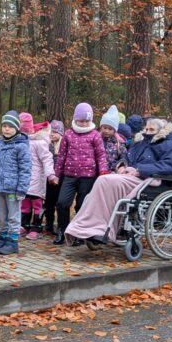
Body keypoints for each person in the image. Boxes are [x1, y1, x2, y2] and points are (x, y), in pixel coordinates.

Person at [65, 118, 172, 244]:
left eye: (151, 129)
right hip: (129, 176)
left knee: (105, 181)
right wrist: (122, 166)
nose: (147, 131)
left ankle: (100, 229)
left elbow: (168, 166)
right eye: (146, 129)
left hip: (147, 180)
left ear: (161, 131)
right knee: (103, 181)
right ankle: (88, 228)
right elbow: (126, 156)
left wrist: (139, 170)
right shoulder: (140, 142)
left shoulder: (168, 145)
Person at [54, 103, 109, 246]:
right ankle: (62, 229)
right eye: (81, 121)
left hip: (88, 176)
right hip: (69, 175)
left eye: (87, 121)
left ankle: (78, 233)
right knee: (62, 203)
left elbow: (101, 155)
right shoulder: (68, 134)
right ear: (75, 119)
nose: (84, 124)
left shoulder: (95, 135)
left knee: (82, 205)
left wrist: (103, 171)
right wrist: (57, 174)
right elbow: (61, 155)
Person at [0, 111, 32, 255]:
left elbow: (25, 170)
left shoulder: (21, 146)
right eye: (4, 126)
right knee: (2, 216)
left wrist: (22, 189)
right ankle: (2, 238)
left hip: (13, 190)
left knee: (13, 216)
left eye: (10, 126)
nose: (6, 129)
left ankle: (13, 241)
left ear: (17, 128)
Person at [19, 113, 57, 240]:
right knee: (24, 203)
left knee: (37, 205)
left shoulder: (39, 143)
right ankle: (24, 225)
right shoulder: (22, 142)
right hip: (25, 180)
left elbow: (47, 159)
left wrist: (51, 175)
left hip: (37, 180)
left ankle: (37, 227)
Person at [43, 120, 65, 235]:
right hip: (48, 180)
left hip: (60, 180)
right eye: (51, 131)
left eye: (55, 132)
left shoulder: (63, 147)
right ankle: (49, 223)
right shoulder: (46, 145)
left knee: (59, 202)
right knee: (48, 203)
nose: (52, 134)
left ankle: (61, 224)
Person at [100, 105, 128, 172]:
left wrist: (120, 166)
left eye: (110, 129)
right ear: (101, 127)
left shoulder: (118, 142)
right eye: (105, 128)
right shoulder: (96, 139)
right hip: (97, 170)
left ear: (115, 130)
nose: (106, 131)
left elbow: (123, 156)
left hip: (113, 171)